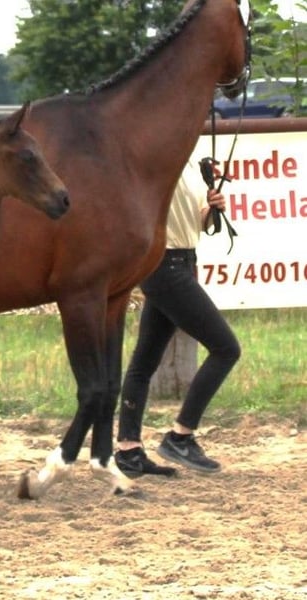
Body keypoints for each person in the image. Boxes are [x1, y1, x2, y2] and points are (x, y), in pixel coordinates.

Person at [114, 160, 241, 477]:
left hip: (183, 262)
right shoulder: (153, 161)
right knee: (226, 349)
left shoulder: (188, 165)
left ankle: (128, 450)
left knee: (144, 362)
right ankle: (180, 437)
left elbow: (196, 223)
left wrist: (211, 209)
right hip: (164, 266)